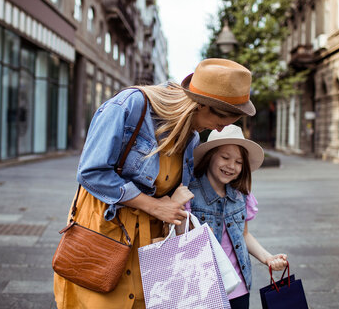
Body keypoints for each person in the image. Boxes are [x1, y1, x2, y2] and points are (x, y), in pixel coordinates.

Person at [53, 58, 256, 309]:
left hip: (151, 247)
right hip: (105, 235)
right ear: (200, 105)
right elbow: (91, 172)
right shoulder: (130, 106)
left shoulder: (190, 137)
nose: (222, 128)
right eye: (221, 120)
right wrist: (154, 205)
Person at [186, 124, 288, 309]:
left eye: (239, 162)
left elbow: (243, 234)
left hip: (239, 286)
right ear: (210, 157)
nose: (231, 166)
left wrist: (268, 258)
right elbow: (180, 239)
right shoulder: (189, 193)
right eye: (225, 157)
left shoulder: (241, 194)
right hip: (203, 287)